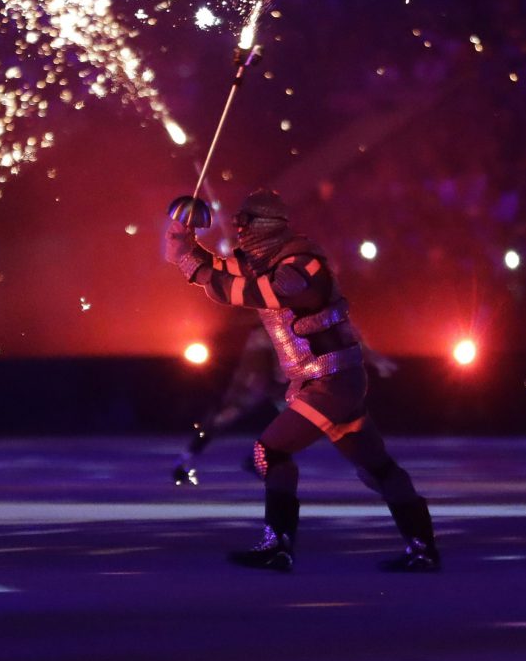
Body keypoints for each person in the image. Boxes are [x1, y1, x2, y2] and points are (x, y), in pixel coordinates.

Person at [164, 188, 439, 572]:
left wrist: (190, 265)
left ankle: (278, 544)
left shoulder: (302, 265)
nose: (239, 228)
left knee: (270, 451)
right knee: (376, 468)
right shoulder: (270, 262)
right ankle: (422, 548)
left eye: (247, 222)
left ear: (269, 225)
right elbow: (223, 273)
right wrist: (186, 247)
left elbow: (249, 292)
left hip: (331, 383)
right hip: (327, 382)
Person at [173, 324, 399, 483]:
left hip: (291, 364)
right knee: (234, 409)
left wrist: (371, 356)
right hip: (276, 355)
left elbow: (345, 330)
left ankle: (260, 457)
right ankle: (187, 458)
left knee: (303, 418)